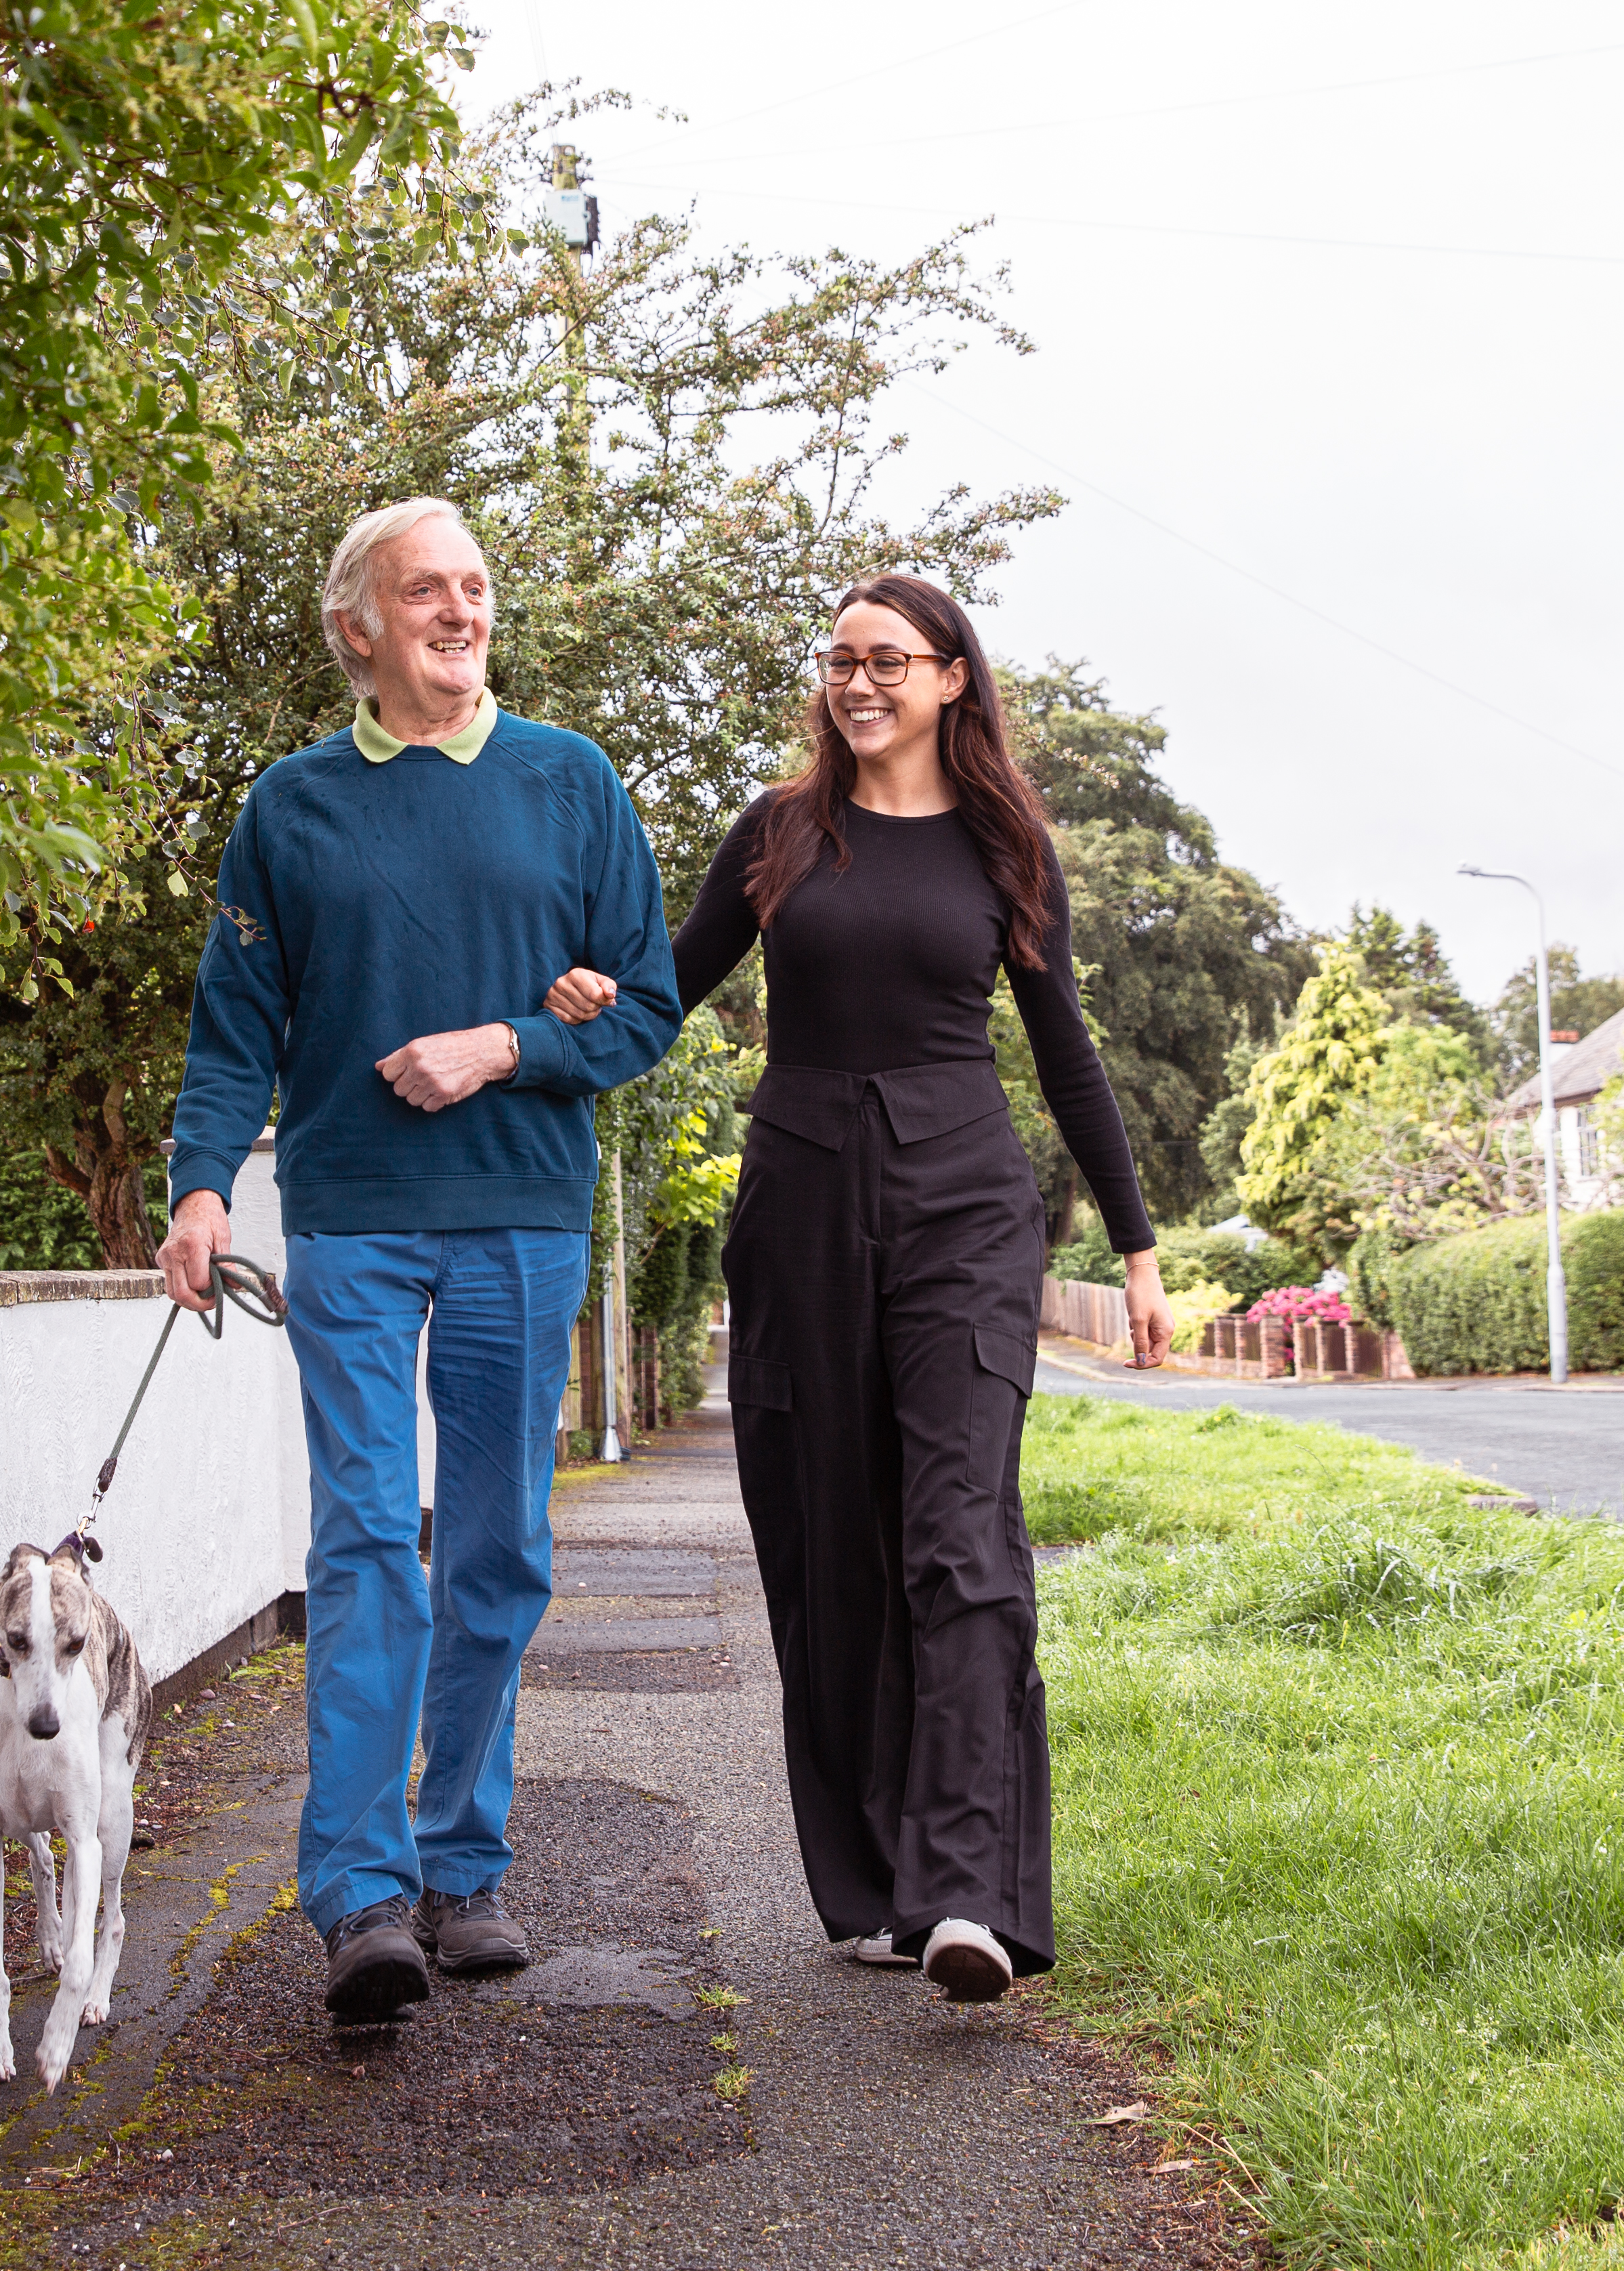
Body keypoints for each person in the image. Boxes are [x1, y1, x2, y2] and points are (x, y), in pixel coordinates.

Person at [537, 571, 1172, 2003]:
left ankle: (968, 1892)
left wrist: (1135, 1248)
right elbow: (667, 992)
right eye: (839, 660)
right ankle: (883, 1883)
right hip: (804, 1208)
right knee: (830, 1546)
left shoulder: (1006, 846)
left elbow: (1063, 1051)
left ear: (950, 677)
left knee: (960, 1537)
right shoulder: (778, 833)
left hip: (963, 1207)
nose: (858, 681)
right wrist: (578, 1006)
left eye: (888, 659)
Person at [158, 497, 683, 2020]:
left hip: (521, 1210)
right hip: (352, 1216)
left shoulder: (570, 782)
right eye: (424, 591)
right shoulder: (291, 806)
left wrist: (509, 1043)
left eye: (474, 584)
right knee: (368, 1539)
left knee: (496, 1547)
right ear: (357, 628)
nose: (461, 611)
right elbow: (234, 1024)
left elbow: (645, 1007)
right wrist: (201, 1187)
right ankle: (359, 1893)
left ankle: (463, 1864)